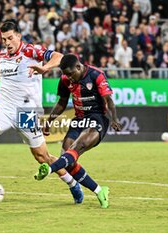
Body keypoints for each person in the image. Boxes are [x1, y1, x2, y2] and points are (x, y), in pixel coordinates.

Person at [0, 20, 83, 204]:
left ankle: (72, 184)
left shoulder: (31, 51)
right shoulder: (2, 55)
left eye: (10, 38)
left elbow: (59, 56)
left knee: (43, 157)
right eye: (4, 39)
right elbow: (6, 67)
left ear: (18, 36)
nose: (7, 42)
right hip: (6, 109)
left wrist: (45, 67)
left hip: (26, 112)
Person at [34, 54, 122, 208]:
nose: (69, 77)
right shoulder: (65, 79)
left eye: (70, 73)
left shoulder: (96, 75)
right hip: (79, 120)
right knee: (67, 161)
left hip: (97, 119)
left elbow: (108, 100)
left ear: (79, 67)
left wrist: (114, 118)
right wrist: (48, 122)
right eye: (65, 74)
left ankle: (48, 170)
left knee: (77, 147)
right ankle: (100, 191)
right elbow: (62, 102)